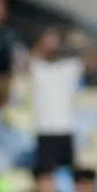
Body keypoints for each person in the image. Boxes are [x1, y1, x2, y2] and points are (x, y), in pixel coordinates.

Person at [28, 28, 83, 173]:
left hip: (65, 129)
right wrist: (43, 43)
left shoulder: (69, 67)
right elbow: (26, 60)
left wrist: (77, 44)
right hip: (44, 130)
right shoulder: (37, 67)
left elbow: (89, 60)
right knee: (45, 175)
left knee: (69, 174)